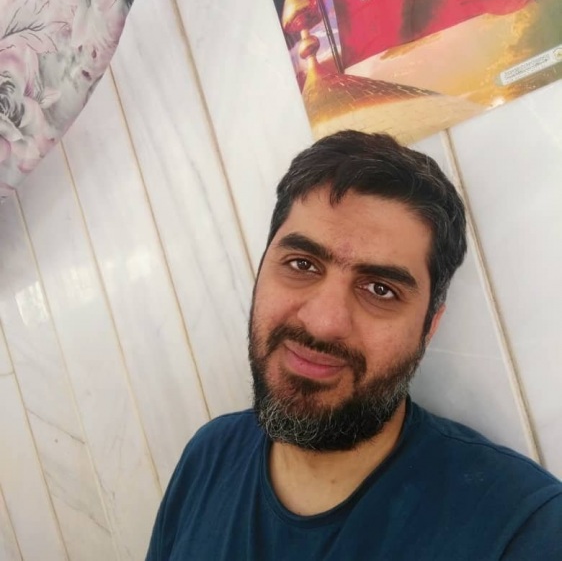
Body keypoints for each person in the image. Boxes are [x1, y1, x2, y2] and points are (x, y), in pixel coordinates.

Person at [146, 131, 562, 560]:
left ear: (429, 327)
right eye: (302, 264)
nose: (324, 323)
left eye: (380, 289)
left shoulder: (523, 529)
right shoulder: (208, 456)